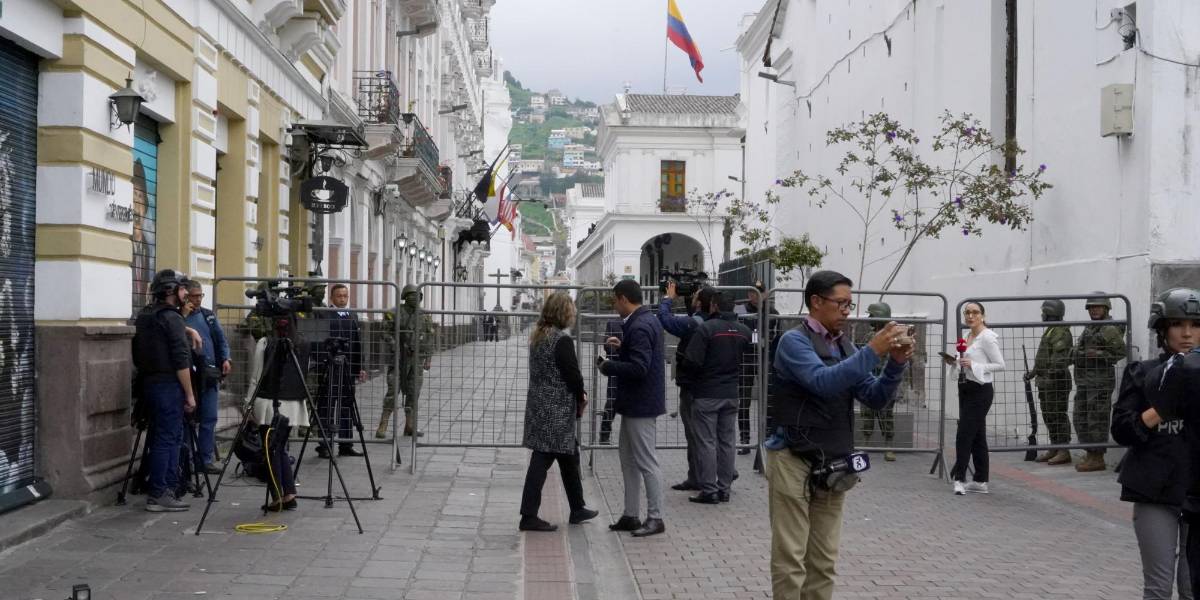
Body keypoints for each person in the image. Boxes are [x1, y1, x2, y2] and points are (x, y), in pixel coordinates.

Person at [765, 270, 910, 599]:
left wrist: (896, 364)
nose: (847, 310)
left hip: (833, 462)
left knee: (824, 560)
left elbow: (874, 397)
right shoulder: (793, 342)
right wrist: (872, 351)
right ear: (816, 302)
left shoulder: (845, 345)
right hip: (792, 459)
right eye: (841, 303)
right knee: (791, 559)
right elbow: (822, 382)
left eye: (849, 303)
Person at [1111, 289, 1196, 600]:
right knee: (1159, 589)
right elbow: (1121, 428)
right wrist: (1159, 409)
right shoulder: (1144, 373)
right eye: (1177, 324)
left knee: (1192, 589)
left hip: (1196, 492)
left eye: (1196, 324)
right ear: (1162, 329)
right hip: (1155, 491)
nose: (1187, 333)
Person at [518, 292, 600, 531]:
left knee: (568, 456)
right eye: (571, 310)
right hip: (556, 411)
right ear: (563, 312)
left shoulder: (539, 336)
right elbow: (572, 374)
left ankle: (577, 507)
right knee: (542, 459)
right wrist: (582, 395)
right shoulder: (561, 340)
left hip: (540, 407)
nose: (574, 314)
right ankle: (528, 515)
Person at [598, 279, 667, 538]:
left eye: (615, 301)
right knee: (628, 460)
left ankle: (655, 517)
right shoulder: (644, 321)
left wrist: (608, 367)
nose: (615, 306)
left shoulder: (639, 326)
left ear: (624, 298)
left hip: (641, 404)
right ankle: (630, 514)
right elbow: (640, 357)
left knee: (646, 462)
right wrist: (622, 346)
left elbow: (640, 368)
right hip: (635, 404)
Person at [131, 269, 197, 512]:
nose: (186, 293)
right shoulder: (172, 318)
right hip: (169, 384)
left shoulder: (146, 315)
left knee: (163, 435)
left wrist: (187, 329)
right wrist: (189, 394)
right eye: (182, 289)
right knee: (168, 438)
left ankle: (163, 489)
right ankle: (161, 491)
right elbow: (181, 361)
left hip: (149, 383)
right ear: (171, 291)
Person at [682, 289, 752, 504]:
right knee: (727, 441)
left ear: (713, 306)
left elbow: (692, 361)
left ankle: (709, 490)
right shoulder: (744, 331)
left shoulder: (707, 329)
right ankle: (725, 488)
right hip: (731, 393)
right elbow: (748, 360)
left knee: (706, 442)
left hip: (706, 393)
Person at [242, 313, 308, 511]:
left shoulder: (266, 343)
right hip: (293, 404)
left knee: (270, 451)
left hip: (269, 404)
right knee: (279, 449)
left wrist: (248, 404)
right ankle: (288, 494)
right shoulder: (302, 343)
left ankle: (278, 496)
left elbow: (256, 376)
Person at [945, 302, 1005, 495]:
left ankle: (959, 479)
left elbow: (1000, 364)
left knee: (964, 434)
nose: (970, 316)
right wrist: (954, 362)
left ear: (983, 316)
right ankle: (980, 480)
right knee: (978, 435)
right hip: (966, 388)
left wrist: (973, 365)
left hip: (981, 390)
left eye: (975, 313)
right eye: (967, 313)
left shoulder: (987, 337)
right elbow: (962, 360)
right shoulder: (966, 336)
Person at [657, 280, 704, 490]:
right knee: (712, 435)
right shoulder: (718, 321)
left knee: (696, 435)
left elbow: (666, 320)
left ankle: (704, 476)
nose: (692, 299)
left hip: (694, 388)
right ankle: (722, 471)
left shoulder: (694, 324)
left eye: (694, 298)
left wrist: (668, 299)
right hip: (714, 387)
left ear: (701, 304)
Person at [1072, 292, 1127, 472]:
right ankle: (1090, 453)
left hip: (1100, 382)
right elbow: (1079, 350)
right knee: (1081, 418)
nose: (1095, 310)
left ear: (1106, 308)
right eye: (1092, 307)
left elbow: (1120, 352)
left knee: (1096, 419)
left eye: (1098, 307)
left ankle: (1097, 458)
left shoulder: (1108, 329)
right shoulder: (1091, 327)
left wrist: (1098, 354)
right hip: (1085, 381)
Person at [181, 280, 231, 474]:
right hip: (188, 374)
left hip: (208, 373)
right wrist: (183, 315)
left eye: (200, 295)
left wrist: (226, 358)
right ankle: (186, 460)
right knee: (187, 419)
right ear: (185, 296)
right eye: (194, 296)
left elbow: (221, 339)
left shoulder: (208, 316)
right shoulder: (179, 317)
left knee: (209, 417)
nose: (198, 300)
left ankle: (205, 459)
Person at [315, 283, 366, 458]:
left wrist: (360, 367)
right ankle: (324, 444)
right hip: (330, 367)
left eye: (345, 296)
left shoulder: (352, 315)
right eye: (339, 296)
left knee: (347, 406)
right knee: (327, 406)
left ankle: (346, 444)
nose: (342, 299)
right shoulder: (324, 314)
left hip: (348, 369)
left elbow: (357, 342)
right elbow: (319, 342)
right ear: (332, 298)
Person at [1025, 298, 1075, 465]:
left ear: (1050, 313)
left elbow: (1059, 360)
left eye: (1044, 312)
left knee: (1058, 415)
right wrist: (1033, 373)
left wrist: (1047, 375)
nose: (1042, 315)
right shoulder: (1051, 330)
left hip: (1056, 381)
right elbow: (1045, 357)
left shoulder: (1060, 332)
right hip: (1046, 381)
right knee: (1049, 416)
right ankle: (1055, 447)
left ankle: (1063, 450)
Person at [381, 284, 434, 438]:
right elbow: (385, 332)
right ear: (404, 297)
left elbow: (429, 336)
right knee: (393, 390)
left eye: (417, 295)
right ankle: (383, 424)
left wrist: (428, 358)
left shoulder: (424, 315)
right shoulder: (394, 312)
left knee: (414, 392)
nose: (414, 298)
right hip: (398, 359)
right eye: (410, 295)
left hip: (416, 359)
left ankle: (410, 425)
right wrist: (395, 345)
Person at [735, 281, 779, 454]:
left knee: (768, 399)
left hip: (764, 359)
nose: (755, 296)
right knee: (743, 401)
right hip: (746, 359)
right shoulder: (740, 311)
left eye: (759, 292)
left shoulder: (772, 312)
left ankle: (768, 436)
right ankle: (745, 439)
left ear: (766, 293)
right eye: (752, 293)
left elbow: (777, 336)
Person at [859, 302, 900, 462]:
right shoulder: (869, 336)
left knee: (886, 415)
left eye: (872, 315)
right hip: (869, 379)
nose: (869, 318)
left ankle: (889, 446)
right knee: (866, 414)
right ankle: (865, 443)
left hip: (886, 381)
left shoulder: (894, 336)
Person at [597, 317, 623, 445]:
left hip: (633, 367)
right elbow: (607, 344)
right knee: (612, 402)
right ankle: (604, 434)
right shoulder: (613, 323)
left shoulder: (638, 321)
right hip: (617, 367)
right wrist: (618, 353)